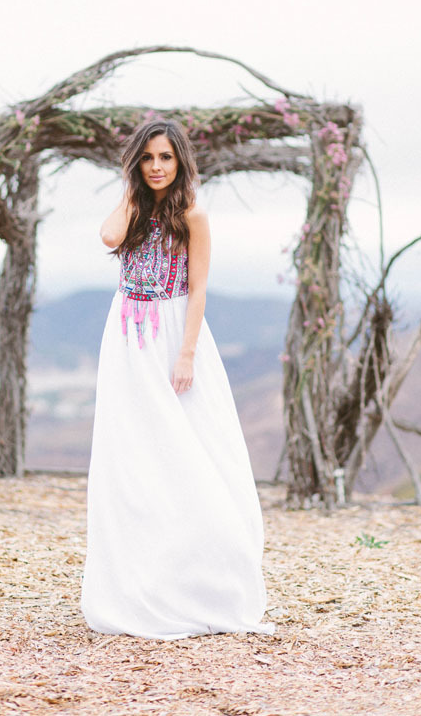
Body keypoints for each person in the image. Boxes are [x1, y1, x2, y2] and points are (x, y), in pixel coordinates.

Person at [80, 119, 273, 640]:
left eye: (165, 157)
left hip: (173, 333)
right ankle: (137, 583)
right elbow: (109, 235)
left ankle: (206, 583)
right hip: (126, 335)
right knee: (133, 453)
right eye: (148, 159)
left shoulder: (193, 215)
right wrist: (130, 188)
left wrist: (185, 354)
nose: (158, 167)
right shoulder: (135, 205)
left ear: (180, 161)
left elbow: (199, 290)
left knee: (189, 448)